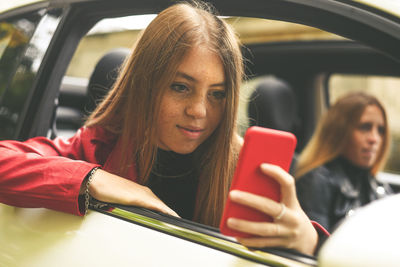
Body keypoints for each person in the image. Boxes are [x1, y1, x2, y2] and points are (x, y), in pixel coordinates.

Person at [0, 1, 322, 255]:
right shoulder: (98, 147)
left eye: (217, 94)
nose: (199, 110)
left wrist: (310, 241)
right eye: (181, 87)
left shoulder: (242, 167)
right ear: (146, 86)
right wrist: (95, 178)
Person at [295, 92, 393, 233]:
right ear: (338, 132)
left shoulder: (375, 185)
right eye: (365, 127)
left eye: (381, 130)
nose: (374, 138)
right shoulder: (316, 180)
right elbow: (317, 247)